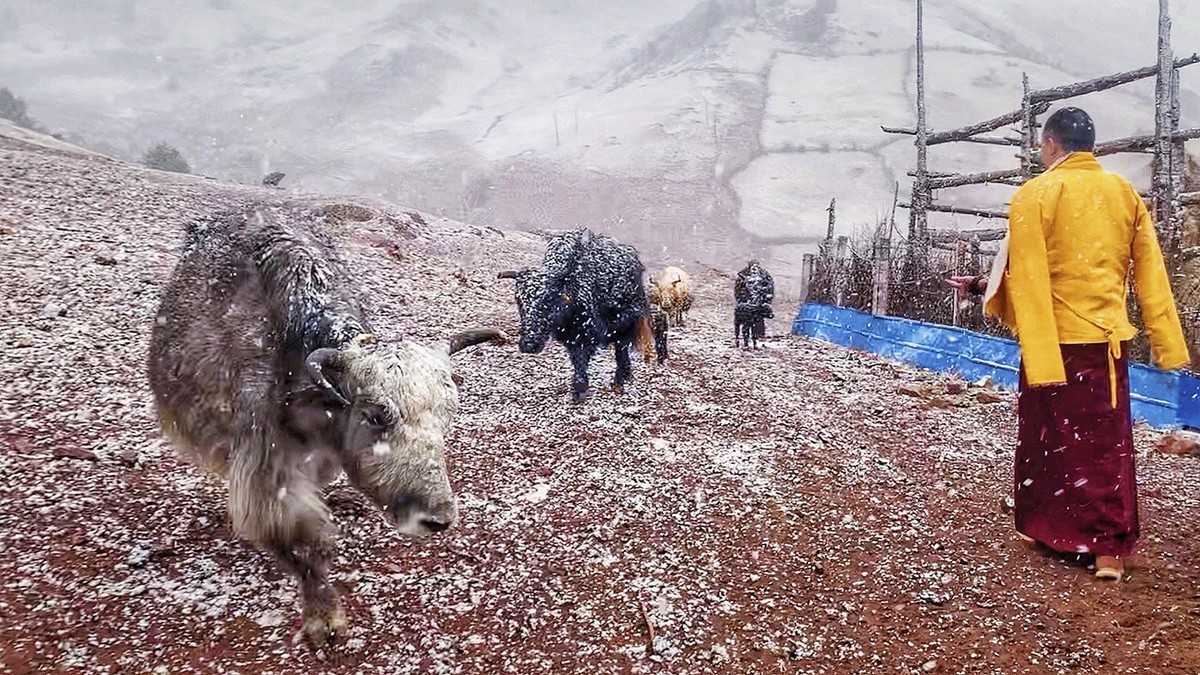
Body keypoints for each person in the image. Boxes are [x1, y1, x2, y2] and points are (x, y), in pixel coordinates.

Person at [947, 107, 1190, 581]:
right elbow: (1150, 270)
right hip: (1105, 343)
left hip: (1051, 342)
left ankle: (1051, 529)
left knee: (1048, 442)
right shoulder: (1122, 193)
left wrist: (987, 294)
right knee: (1104, 446)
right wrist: (1166, 340)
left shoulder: (1035, 194)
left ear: (1052, 144)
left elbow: (1028, 277)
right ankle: (1107, 548)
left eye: (1042, 146)